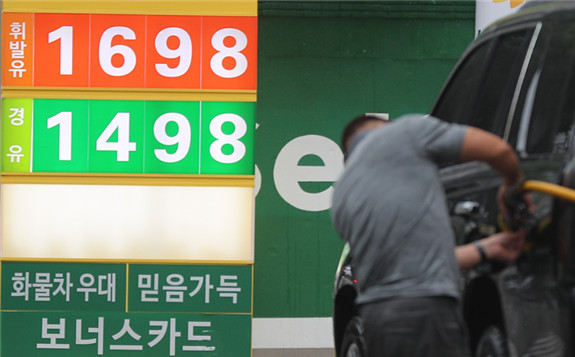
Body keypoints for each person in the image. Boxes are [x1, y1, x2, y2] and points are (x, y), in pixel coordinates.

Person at [331, 114, 528, 357]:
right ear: (385, 128)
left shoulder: (341, 194)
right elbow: (499, 150)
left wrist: (485, 249)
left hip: (376, 320)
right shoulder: (407, 133)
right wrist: (512, 184)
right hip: (427, 312)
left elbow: (409, 263)